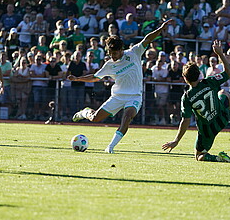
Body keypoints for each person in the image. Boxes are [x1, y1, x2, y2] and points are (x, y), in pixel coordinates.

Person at [69, 19, 173, 153]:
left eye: (115, 53)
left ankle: (110, 147)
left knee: (127, 117)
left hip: (135, 96)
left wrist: (160, 29)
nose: (112, 56)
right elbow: (95, 77)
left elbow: (147, 39)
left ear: (121, 50)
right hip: (117, 96)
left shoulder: (134, 52)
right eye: (110, 53)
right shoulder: (109, 65)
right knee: (95, 118)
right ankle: (84, 112)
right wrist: (78, 79)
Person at [162, 40, 230, 163]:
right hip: (222, 118)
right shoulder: (208, 81)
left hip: (207, 130)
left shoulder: (187, 97)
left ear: (185, 79)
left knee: (199, 156)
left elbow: (185, 121)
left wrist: (176, 140)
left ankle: (219, 158)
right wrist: (221, 54)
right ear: (199, 74)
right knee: (224, 94)